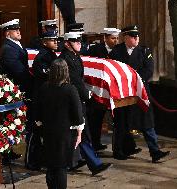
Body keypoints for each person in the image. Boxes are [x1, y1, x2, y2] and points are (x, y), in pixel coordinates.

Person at [109, 25, 170, 162]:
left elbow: (148, 70)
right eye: (133, 36)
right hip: (124, 94)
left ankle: (155, 152)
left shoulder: (144, 51)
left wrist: (133, 80)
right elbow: (114, 71)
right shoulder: (116, 52)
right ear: (125, 38)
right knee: (121, 123)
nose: (136, 38)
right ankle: (118, 151)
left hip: (140, 92)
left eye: (137, 36)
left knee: (147, 123)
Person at [58, 32, 112, 174]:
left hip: (77, 99)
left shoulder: (75, 57)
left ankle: (71, 162)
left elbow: (80, 78)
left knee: (78, 133)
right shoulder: (65, 59)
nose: (79, 43)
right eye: (75, 41)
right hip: (72, 100)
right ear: (67, 44)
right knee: (82, 132)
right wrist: (87, 94)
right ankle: (94, 164)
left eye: (79, 40)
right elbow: (75, 80)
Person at [35, 58, 83, 189]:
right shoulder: (70, 89)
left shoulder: (44, 87)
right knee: (61, 167)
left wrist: (40, 128)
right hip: (65, 134)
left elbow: (37, 111)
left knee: (51, 166)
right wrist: (79, 133)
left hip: (48, 131)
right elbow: (78, 115)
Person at [0, 19, 32, 162]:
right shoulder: (8, 49)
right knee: (10, 121)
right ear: (8, 33)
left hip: (18, 89)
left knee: (13, 121)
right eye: (15, 30)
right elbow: (18, 71)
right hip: (13, 91)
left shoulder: (15, 45)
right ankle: (5, 153)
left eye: (18, 29)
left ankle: (8, 149)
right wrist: (33, 80)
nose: (19, 31)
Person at [25, 30, 59, 170]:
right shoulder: (43, 57)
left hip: (47, 99)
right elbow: (46, 77)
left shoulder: (50, 54)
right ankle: (31, 161)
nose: (56, 42)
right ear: (44, 42)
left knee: (45, 132)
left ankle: (42, 159)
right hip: (40, 100)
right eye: (52, 40)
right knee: (36, 132)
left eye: (56, 40)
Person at [86, 28, 120, 151]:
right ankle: (95, 143)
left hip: (113, 90)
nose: (115, 41)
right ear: (105, 38)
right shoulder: (95, 49)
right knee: (96, 119)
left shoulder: (119, 50)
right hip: (98, 90)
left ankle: (118, 147)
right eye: (113, 38)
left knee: (117, 120)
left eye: (117, 38)